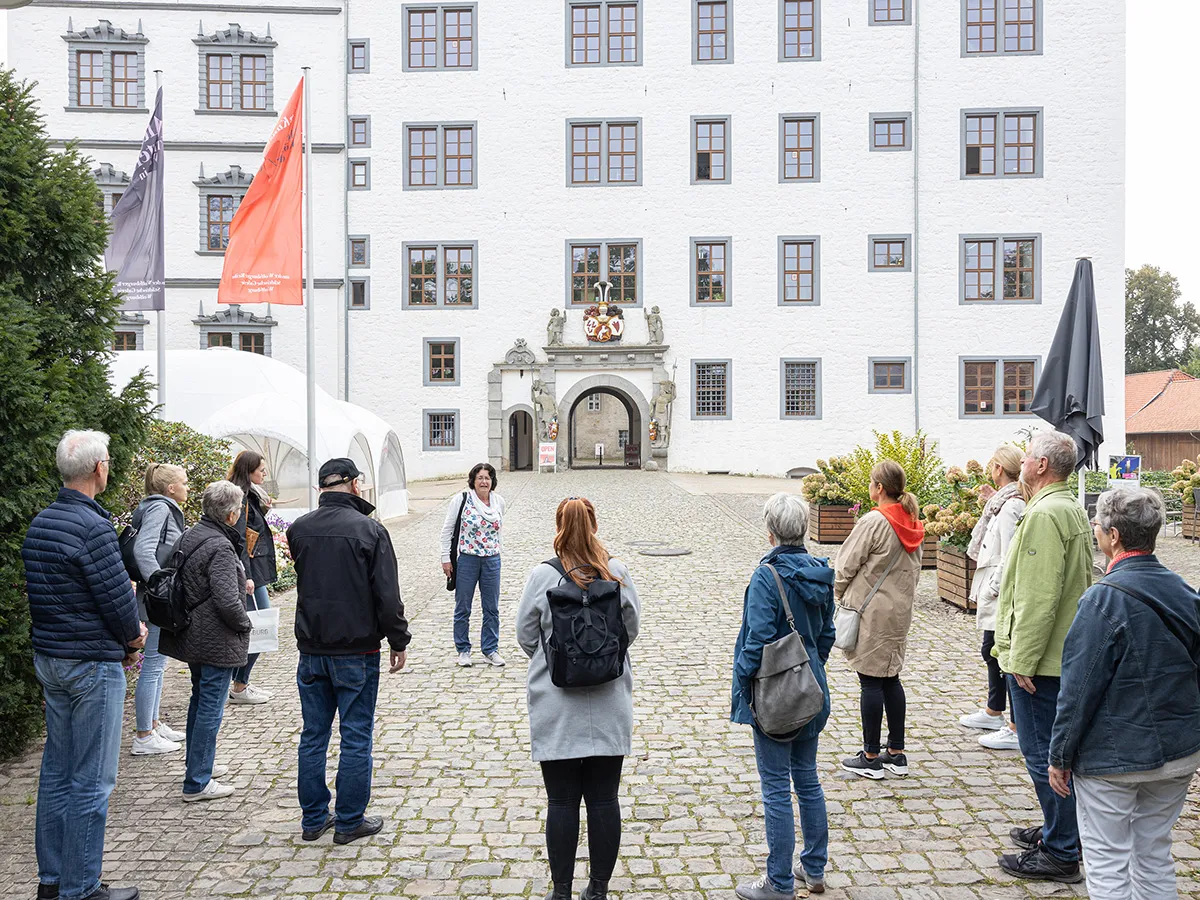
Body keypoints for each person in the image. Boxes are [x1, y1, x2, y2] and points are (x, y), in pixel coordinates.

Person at [1048, 488, 1200, 898]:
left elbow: (1077, 689)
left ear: (1113, 536)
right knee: (1154, 852)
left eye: (1097, 524)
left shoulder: (1101, 599)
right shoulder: (1185, 592)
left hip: (1113, 758)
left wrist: (1060, 756)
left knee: (1107, 859)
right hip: (1179, 751)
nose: (1094, 530)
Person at [22, 430, 147, 900]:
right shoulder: (93, 528)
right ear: (99, 469)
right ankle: (80, 887)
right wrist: (134, 637)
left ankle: (52, 882)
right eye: (109, 462)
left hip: (51, 659)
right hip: (90, 665)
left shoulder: (42, 522)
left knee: (57, 773)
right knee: (92, 780)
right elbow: (118, 603)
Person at [516, 497, 641, 900]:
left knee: (563, 800)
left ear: (558, 526)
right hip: (608, 700)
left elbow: (524, 635)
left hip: (557, 701)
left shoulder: (543, 576)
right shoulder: (615, 571)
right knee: (605, 797)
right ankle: (599, 888)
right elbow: (631, 628)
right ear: (594, 525)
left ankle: (561, 890)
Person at [286, 458, 411, 844]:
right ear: (355, 485)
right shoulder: (370, 530)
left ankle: (313, 820)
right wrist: (398, 639)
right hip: (356, 648)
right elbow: (386, 595)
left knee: (314, 735)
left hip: (312, 646)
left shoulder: (299, 529)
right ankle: (349, 820)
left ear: (323, 487)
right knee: (355, 735)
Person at [992, 430, 1091, 883]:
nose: (1025, 461)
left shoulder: (1045, 514)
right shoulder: (1068, 507)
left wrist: (1020, 659)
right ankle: (1061, 830)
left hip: (1041, 660)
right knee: (1055, 750)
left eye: (1029, 456)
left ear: (1041, 466)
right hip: (1059, 653)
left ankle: (1062, 850)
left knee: (1043, 754)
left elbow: (1037, 595)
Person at [732, 493, 834, 900]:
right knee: (807, 779)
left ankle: (779, 882)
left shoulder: (766, 577)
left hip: (774, 692)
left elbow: (755, 641)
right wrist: (809, 666)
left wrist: (743, 683)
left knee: (775, 785)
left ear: (770, 531)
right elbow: (826, 634)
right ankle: (814, 868)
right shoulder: (820, 572)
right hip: (811, 689)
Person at [159, 480, 252, 802]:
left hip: (193, 633)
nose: (240, 514)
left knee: (200, 701)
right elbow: (227, 602)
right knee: (210, 706)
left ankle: (199, 766)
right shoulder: (220, 546)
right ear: (229, 515)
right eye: (239, 509)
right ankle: (197, 782)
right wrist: (245, 623)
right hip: (214, 637)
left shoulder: (193, 534)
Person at [835, 460, 924, 780]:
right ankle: (896, 753)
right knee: (890, 678)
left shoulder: (874, 521)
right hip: (899, 609)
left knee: (871, 679)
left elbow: (846, 563)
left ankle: (871, 755)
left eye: (872, 482)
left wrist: (840, 591)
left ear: (879, 488)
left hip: (872, 610)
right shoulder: (912, 521)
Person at [958, 447, 1026, 751]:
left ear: (999, 468)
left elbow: (1011, 551)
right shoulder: (1002, 501)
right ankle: (994, 711)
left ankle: (1013, 723)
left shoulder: (1012, 505)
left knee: (997, 651)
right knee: (992, 649)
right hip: (993, 584)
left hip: (999, 587)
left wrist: (995, 587)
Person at [130, 462, 189, 755]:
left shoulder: (159, 507)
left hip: (153, 596)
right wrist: (159, 586)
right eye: (184, 482)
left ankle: (153, 723)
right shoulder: (160, 508)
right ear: (170, 488)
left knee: (158, 662)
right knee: (152, 666)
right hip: (155, 599)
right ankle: (143, 736)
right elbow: (143, 549)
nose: (188, 487)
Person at [440, 462, 506, 668]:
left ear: (492, 481)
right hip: (468, 559)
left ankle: (490, 649)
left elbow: (498, 530)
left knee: (491, 608)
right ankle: (463, 649)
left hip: (492, 560)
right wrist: (445, 558)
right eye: (480, 478)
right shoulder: (461, 500)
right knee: (463, 607)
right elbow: (447, 530)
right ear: (473, 481)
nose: (484, 481)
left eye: (487, 477)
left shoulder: (498, 502)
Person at [226, 450, 276, 705]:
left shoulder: (250, 495)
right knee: (260, 628)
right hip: (249, 574)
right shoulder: (241, 497)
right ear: (249, 470)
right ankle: (238, 685)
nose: (265, 474)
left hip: (253, 573)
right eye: (261, 470)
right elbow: (239, 539)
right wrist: (244, 575)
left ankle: (239, 683)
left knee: (261, 627)